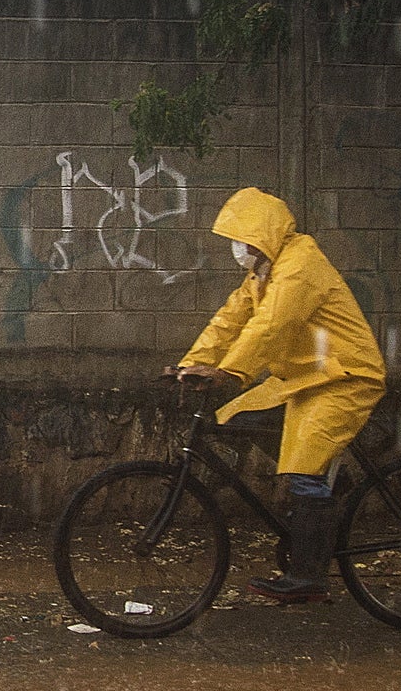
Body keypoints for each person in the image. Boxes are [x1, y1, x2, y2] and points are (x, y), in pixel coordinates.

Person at [165, 187, 386, 602]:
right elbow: (230, 319)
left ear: (263, 235)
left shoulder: (301, 265)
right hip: (304, 379)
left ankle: (308, 577)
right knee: (238, 418)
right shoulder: (261, 274)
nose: (236, 249)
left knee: (301, 467)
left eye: (241, 240)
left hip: (345, 376)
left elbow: (272, 325)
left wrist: (227, 371)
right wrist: (191, 363)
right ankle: (327, 492)